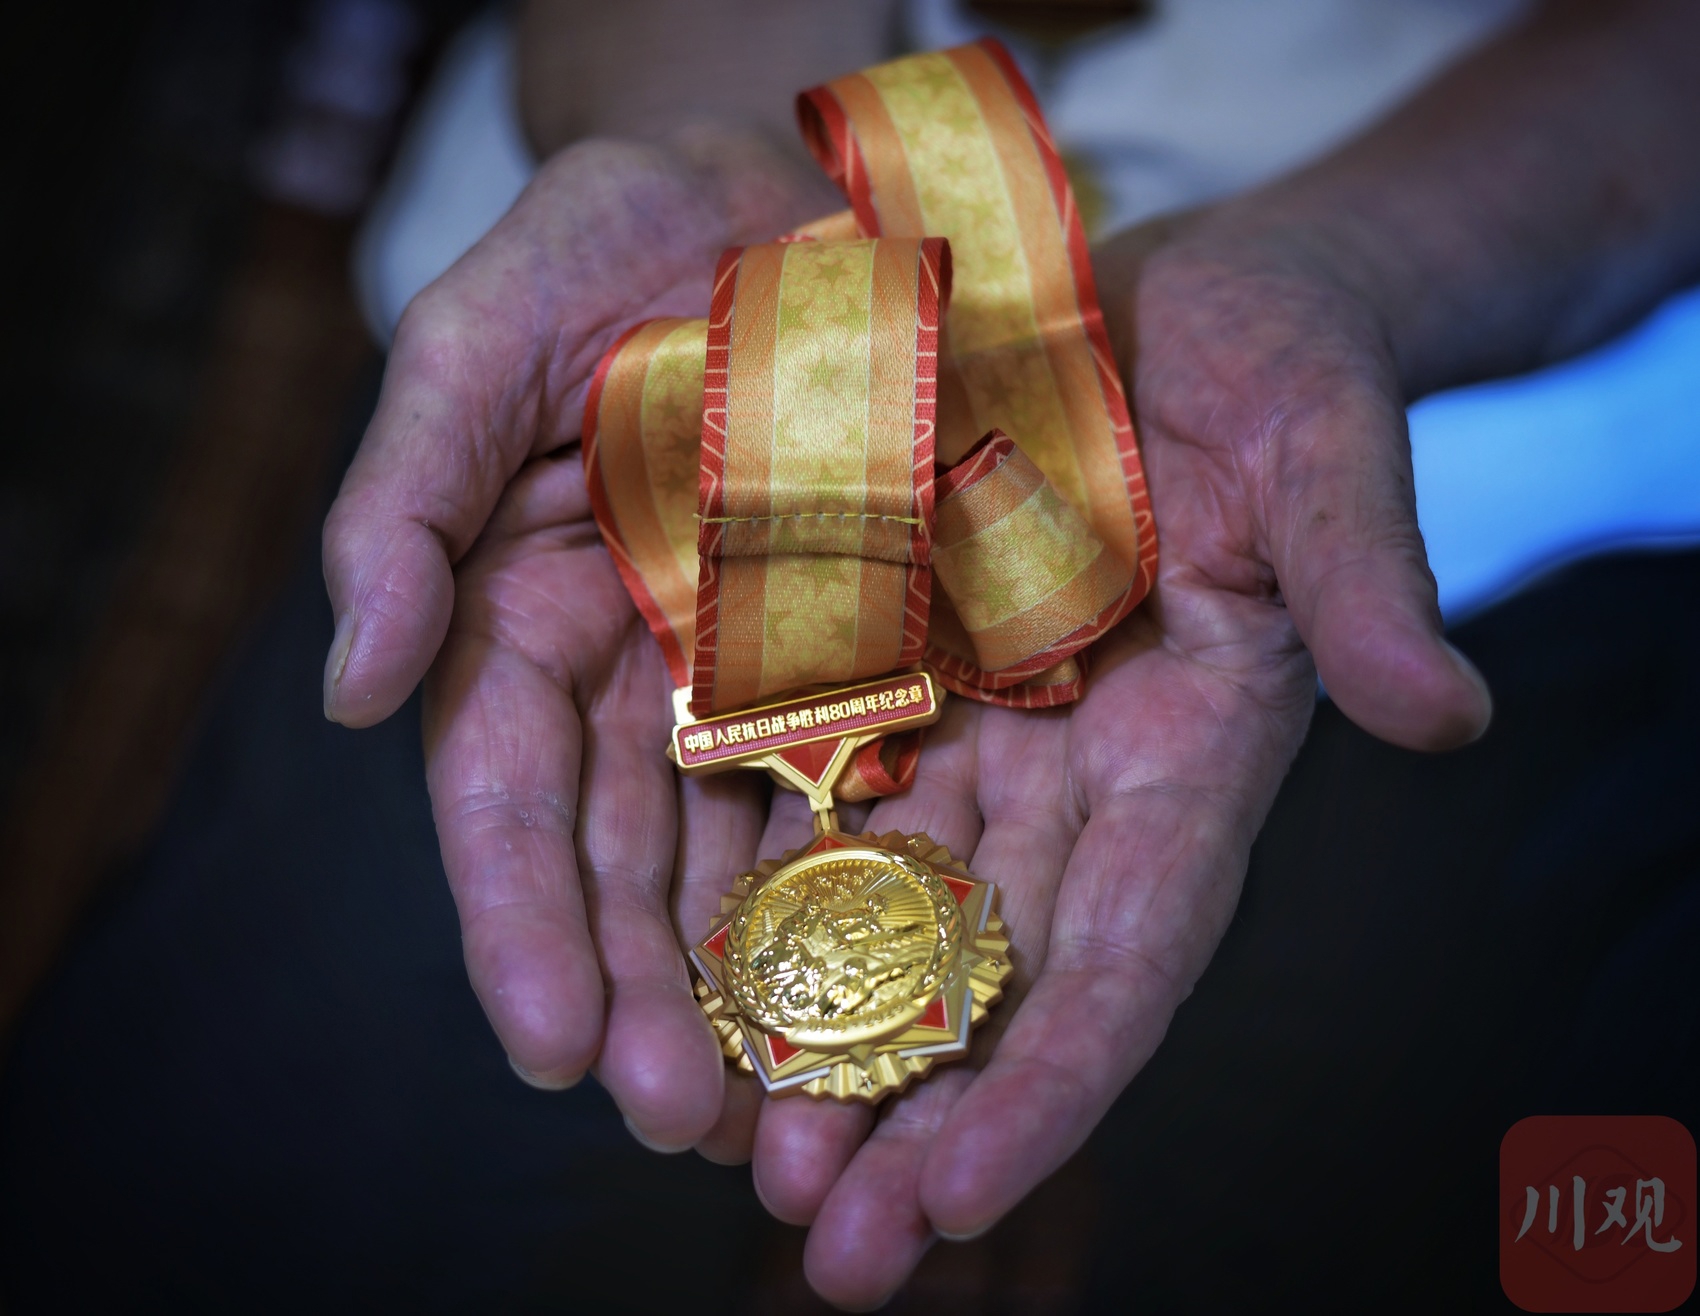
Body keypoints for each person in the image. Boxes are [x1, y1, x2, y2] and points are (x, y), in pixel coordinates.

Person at [4, 2, 1698, 1310]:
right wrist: (700, 139)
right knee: (275, 1179)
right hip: (612, 473)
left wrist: (1363, 266)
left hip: (1398, 531)